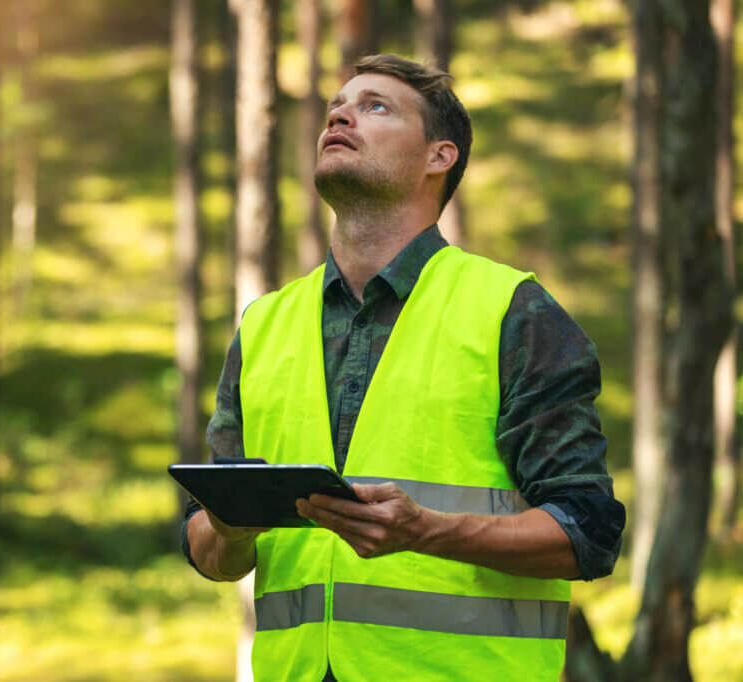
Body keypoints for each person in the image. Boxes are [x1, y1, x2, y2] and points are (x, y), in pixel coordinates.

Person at [181, 54, 624, 682]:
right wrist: (230, 531)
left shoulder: (511, 311)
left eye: (375, 106)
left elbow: (588, 530)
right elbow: (207, 548)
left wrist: (429, 531)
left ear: (439, 157)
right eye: (337, 105)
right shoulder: (263, 325)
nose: (339, 114)